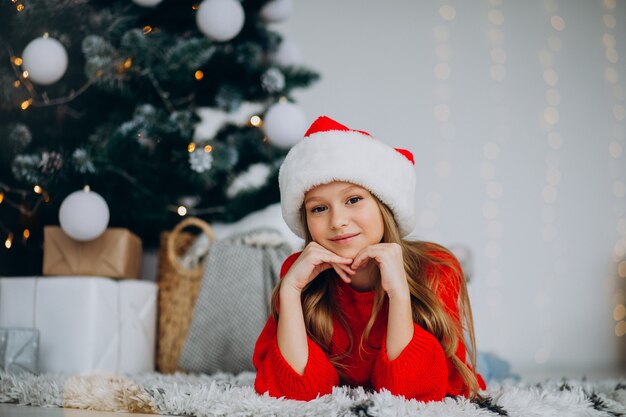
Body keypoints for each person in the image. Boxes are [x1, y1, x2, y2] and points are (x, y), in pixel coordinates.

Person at [253, 115, 486, 402]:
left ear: (384, 204)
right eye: (318, 208)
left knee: (489, 365)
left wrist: (399, 293)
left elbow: (414, 396)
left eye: (353, 200)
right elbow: (294, 392)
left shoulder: (437, 267)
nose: (338, 221)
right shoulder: (299, 271)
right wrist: (289, 291)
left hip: (451, 357)